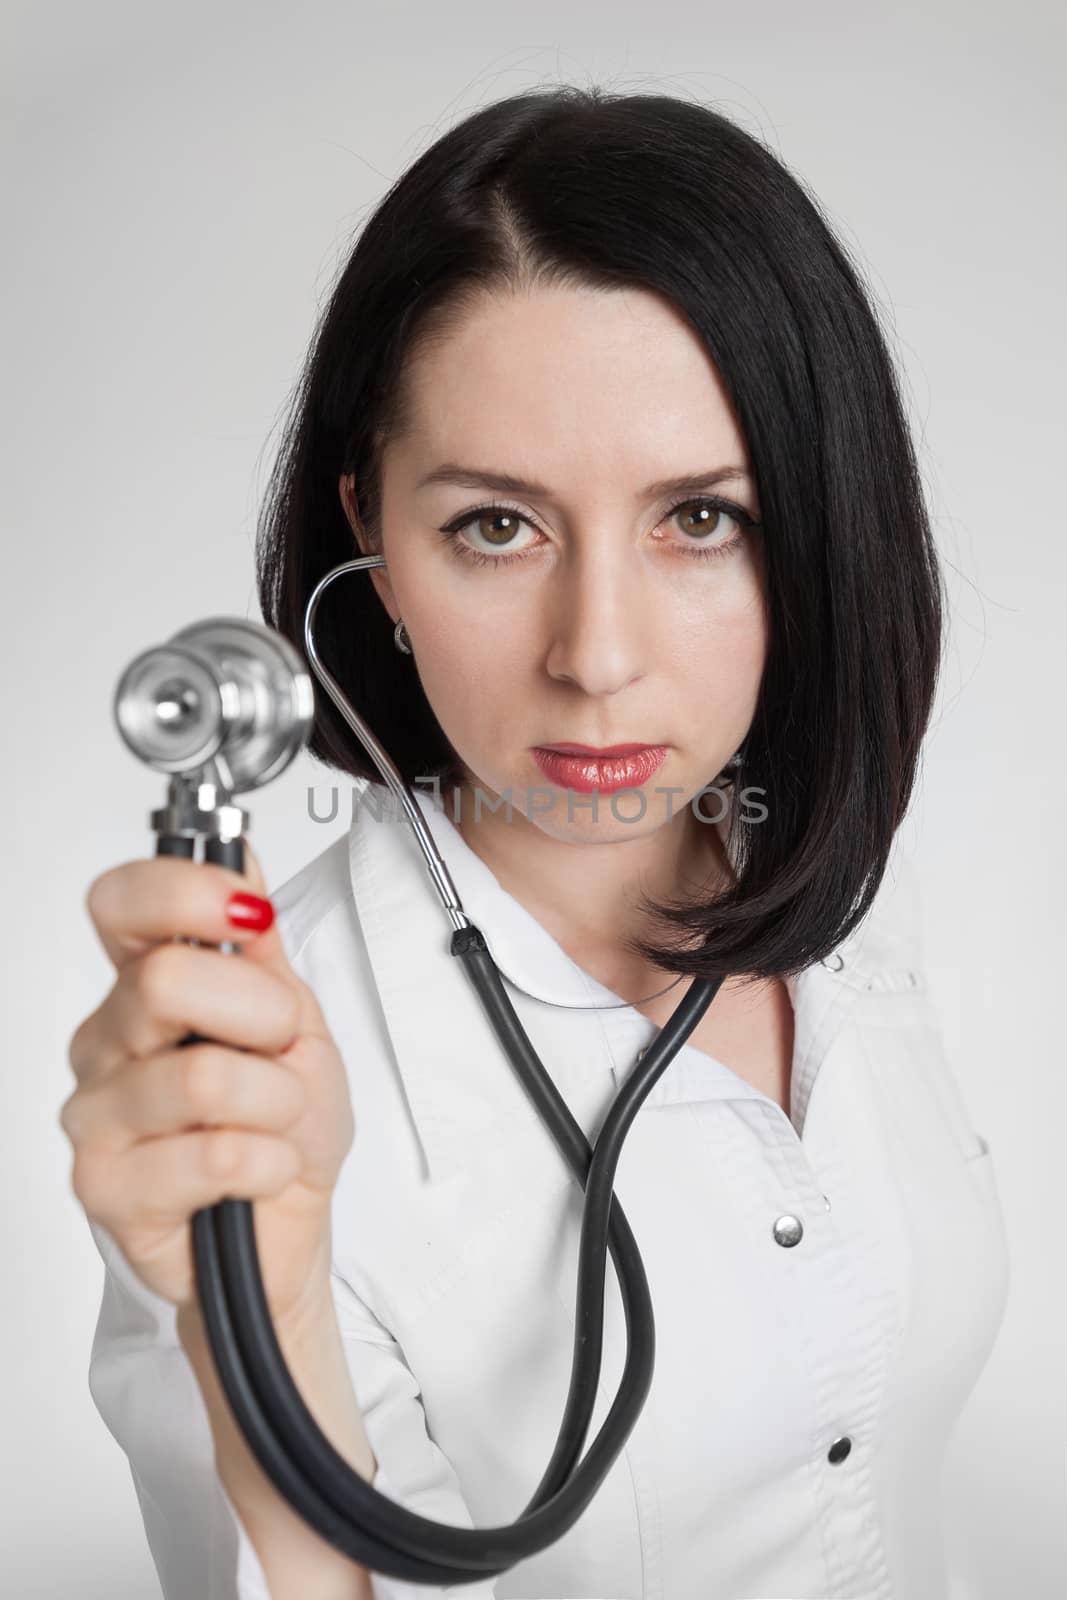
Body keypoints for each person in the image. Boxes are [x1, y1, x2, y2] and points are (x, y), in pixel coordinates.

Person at [61, 85, 1010, 1600]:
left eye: (700, 519)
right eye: (496, 527)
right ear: (371, 538)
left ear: (817, 533)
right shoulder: (251, 1094)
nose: (599, 656)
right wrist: (279, 1301)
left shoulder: (847, 911)